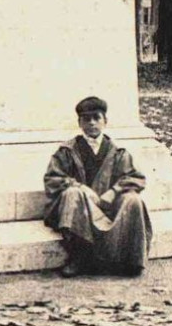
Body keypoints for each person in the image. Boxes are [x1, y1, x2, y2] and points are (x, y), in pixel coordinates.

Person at [44, 96, 152, 277]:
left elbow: (135, 177)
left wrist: (113, 192)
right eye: (86, 119)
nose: (92, 123)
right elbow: (53, 179)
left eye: (96, 118)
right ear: (79, 123)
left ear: (105, 121)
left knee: (133, 200)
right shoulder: (67, 151)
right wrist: (79, 187)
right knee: (72, 194)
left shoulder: (117, 152)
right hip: (81, 207)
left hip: (108, 205)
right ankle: (79, 256)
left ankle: (131, 260)